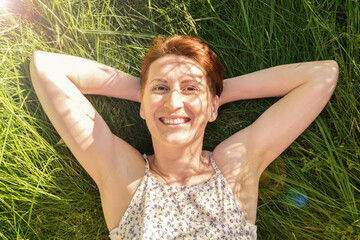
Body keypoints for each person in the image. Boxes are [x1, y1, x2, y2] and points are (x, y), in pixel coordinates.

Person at [29, 35, 338, 239]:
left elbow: (322, 75)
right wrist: (148, 95)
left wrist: (215, 94)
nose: (173, 102)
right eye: (161, 88)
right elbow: (47, 66)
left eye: (189, 88)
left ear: (213, 107)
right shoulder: (126, 177)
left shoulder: (234, 167)